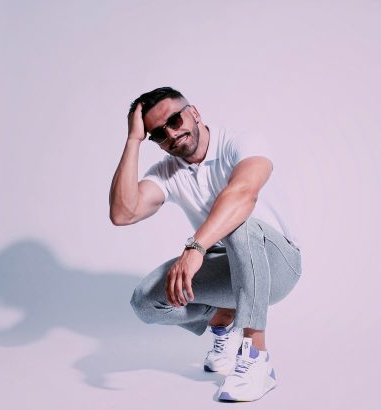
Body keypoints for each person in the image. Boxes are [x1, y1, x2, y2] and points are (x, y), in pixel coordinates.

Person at [109, 86, 302, 402]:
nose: (171, 134)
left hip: (279, 265)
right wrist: (133, 140)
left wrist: (196, 248)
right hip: (229, 265)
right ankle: (222, 320)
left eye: (175, 120)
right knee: (145, 301)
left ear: (194, 113)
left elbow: (243, 194)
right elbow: (122, 213)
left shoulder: (241, 141)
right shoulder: (168, 172)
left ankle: (257, 358)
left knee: (239, 225)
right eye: (158, 134)